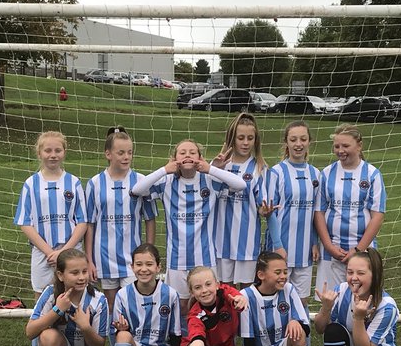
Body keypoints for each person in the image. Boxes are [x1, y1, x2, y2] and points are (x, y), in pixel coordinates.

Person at [130, 139, 246, 318]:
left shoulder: (209, 180)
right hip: (177, 258)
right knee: (181, 306)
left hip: (205, 257)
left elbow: (241, 185)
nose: (187, 155)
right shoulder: (167, 182)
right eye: (182, 152)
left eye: (192, 152)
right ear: (174, 158)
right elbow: (137, 190)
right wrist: (164, 170)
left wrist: (211, 168)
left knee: (208, 302)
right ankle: (183, 342)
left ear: (200, 158)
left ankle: (207, 342)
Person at [14, 130, 88, 346]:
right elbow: (25, 222)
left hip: (71, 252)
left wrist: (65, 251)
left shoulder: (74, 183)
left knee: (78, 300)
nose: (53, 155)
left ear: (64, 152)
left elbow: (83, 221)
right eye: (48, 150)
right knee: (40, 308)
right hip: (43, 253)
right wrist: (48, 251)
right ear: (39, 153)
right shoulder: (31, 184)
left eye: (58, 150)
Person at [83, 126, 157, 315]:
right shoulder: (95, 183)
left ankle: (136, 343)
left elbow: (150, 219)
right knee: (111, 306)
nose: (126, 157)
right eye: (121, 152)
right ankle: (117, 344)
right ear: (108, 154)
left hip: (133, 258)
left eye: (130, 152)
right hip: (104, 257)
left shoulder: (141, 180)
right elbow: (90, 224)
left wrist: (148, 254)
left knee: (134, 305)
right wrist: (89, 260)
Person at [314, 124, 386, 294]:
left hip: (362, 249)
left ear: (359, 146)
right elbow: (319, 212)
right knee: (330, 300)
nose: (340, 150)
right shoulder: (326, 173)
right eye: (337, 146)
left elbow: (377, 216)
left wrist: (358, 249)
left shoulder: (372, 174)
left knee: (362, 300)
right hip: (331, 250)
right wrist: (328, 246)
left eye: (346, 146)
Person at [212, 112, 269, 288]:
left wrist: (264, 211)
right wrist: (215, 169)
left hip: (247, 240)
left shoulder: (260, 168)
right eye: (241, 138)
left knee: (246, 291)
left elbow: (261, 205)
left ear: (255, 140)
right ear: (232, 138)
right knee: (223, 290)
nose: (245, 143)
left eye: (250, 138)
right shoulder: (218, 165)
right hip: (220, 240)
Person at [264, 121, 321, 296]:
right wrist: (278, 246)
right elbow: (269, 213)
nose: (298, 144)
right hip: (280, 248)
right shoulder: (276, 172)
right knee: (277, 296)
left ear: (309, 142)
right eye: (293, 139)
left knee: (301, 299)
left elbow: (316, 213)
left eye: (303, 139)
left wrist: (315, 242)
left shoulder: (316, 174)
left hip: (304, 249)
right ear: (286, 143)